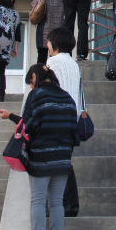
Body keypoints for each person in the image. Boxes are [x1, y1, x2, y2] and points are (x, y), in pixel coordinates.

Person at [0, 64, 78, 230]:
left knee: (38, 200)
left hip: (40, 156)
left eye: (30, 82)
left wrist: (11, 117)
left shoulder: (36, 96)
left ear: (34, 77)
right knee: (57, 202)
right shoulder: (67, 98)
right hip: (62, 158)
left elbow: (28, 125)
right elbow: (74, 132)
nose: (31, 86)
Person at [46, 26, 82, 218]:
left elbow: (48, 89)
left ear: (56, 43)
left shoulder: (52, 62)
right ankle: (72, 204)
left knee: (57, 163)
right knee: (66, 161)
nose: (47, 44)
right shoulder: (73, 64)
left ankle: (65, 204)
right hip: (72, 118)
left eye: (49, 40)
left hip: (56, 117)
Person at [31, 0, 64, 65]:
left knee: (41, 57)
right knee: (56, 58)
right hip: (58, 30)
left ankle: (41, 74)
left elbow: (34, 5)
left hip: (44, 28)